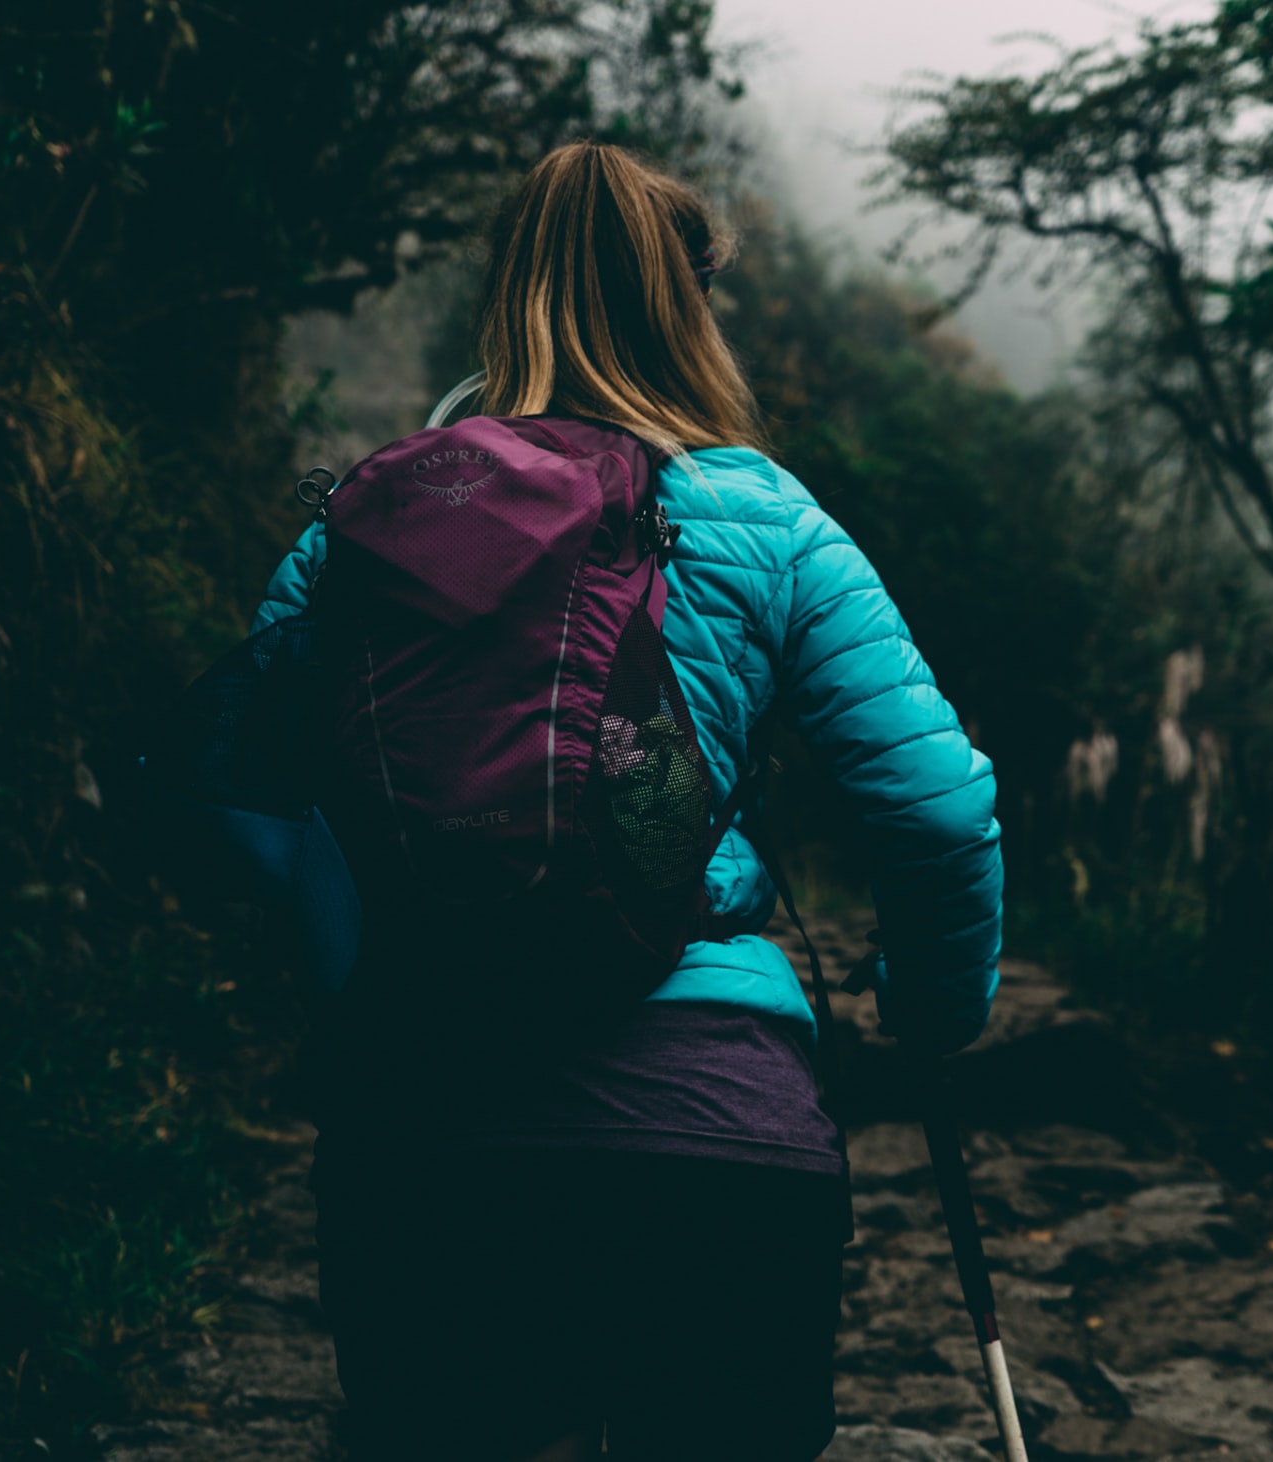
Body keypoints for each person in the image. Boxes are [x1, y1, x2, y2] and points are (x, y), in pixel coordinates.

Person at [247, 141, 1004, 1461]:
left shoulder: (362, 527)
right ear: (684, 302)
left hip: (428, 1133)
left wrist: (346, 997)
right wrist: (931, 1012)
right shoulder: (770, 519)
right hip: (716, 1140)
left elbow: (256, 796)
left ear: (507, 291)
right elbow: (937, 809)